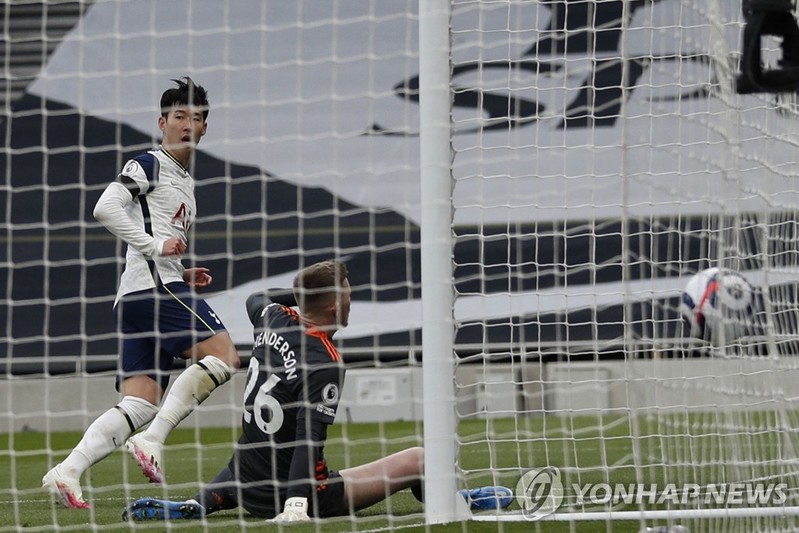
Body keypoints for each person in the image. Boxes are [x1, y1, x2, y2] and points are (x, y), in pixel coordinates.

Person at [121, 259, 513, 522]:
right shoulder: (325, 360)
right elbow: (308, 441)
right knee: (420, 459)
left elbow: (256, 297)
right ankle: (453, 499)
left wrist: (304, 294)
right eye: (348, 296)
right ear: (335, 307)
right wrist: (296, 504)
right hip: (302, 492)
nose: (351, 301)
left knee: (257, 449)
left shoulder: (271, 317)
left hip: (245, 481)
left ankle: (198, 502)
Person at [42, 77, 240, 509]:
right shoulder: (150, 163)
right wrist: (155, 248)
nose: (188, 124)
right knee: (225, 357)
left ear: (205, 128)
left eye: (196, 118)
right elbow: (105, 207)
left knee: (140, 402)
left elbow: (156, 236)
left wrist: (181, 270)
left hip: (140, 294)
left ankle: (67, 470)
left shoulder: (184, 180)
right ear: (162, 122)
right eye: (179, 116)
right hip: (154, 291)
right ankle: (152, 441)